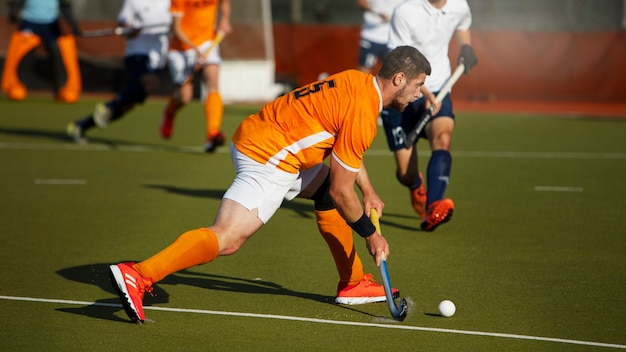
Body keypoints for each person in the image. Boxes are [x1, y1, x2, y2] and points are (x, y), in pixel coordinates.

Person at [108, 45, 432, 323]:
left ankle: (353, 283)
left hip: (262, 136)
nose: (419, 94)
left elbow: (344, 155)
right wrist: (371, 234)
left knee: (323, 194)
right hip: (270, 157)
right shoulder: (364, 111)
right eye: (418, 85)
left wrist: (370, 191)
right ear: (398, 79)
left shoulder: (356, 80)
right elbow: (342, 188)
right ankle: (139, 275)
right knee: (229, 238)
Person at [383, 0, 478, 231]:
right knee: (406, 173)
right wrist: (421, 90)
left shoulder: (459, 6)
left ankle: (433, 206)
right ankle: (416, 185)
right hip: (402, 92)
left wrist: (465, 45)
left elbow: (463, 24)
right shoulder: (405, 11)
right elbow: (398, 60)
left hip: (439, 88)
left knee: (442, 139)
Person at [65, 0, 172, 143]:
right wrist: (131, 30)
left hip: (157, 57)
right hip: (137, 53)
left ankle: (81, 126)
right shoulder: (134, 1)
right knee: (151, 83)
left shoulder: (171, 2)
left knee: (128, 105)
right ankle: (107, 107)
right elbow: (124, 23)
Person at [159, 0, 231, 153]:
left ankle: (212, 134)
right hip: (182, 46)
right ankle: (169, 111)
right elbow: (176, 28)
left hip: (207, 41)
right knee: (185, 97)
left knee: (213, 83)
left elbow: (225, 3)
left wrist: (224, 19)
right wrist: (195, 51)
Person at [1, 0, 82, 103]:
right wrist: (14, 11)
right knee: (23, 55)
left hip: (52, 23)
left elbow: (65, 5)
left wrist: (72, 23)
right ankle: (16, 86)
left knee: (59, 55)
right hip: (29, 21)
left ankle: (65, 89)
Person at [355, 0, 404, 74]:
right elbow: (361, 2)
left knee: (392, 71)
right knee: (364, 70)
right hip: (371, 36)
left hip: (392, 39)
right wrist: (378, 13)